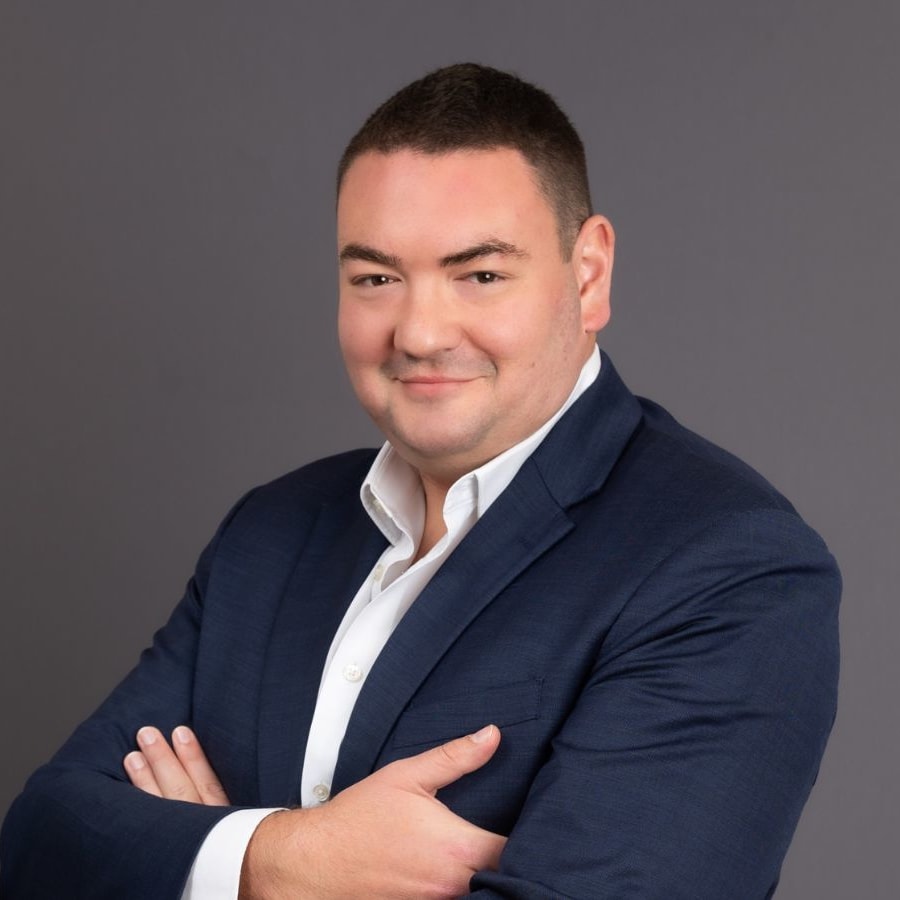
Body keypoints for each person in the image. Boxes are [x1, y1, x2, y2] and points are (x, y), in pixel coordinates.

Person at [0, 63, 840, 899]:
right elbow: (37, 844)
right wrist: (278, 860)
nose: (420, 333)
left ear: (588, 275)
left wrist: (202, 867)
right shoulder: (269, 533)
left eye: (480, 275)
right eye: (377, 279)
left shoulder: (728, 566)